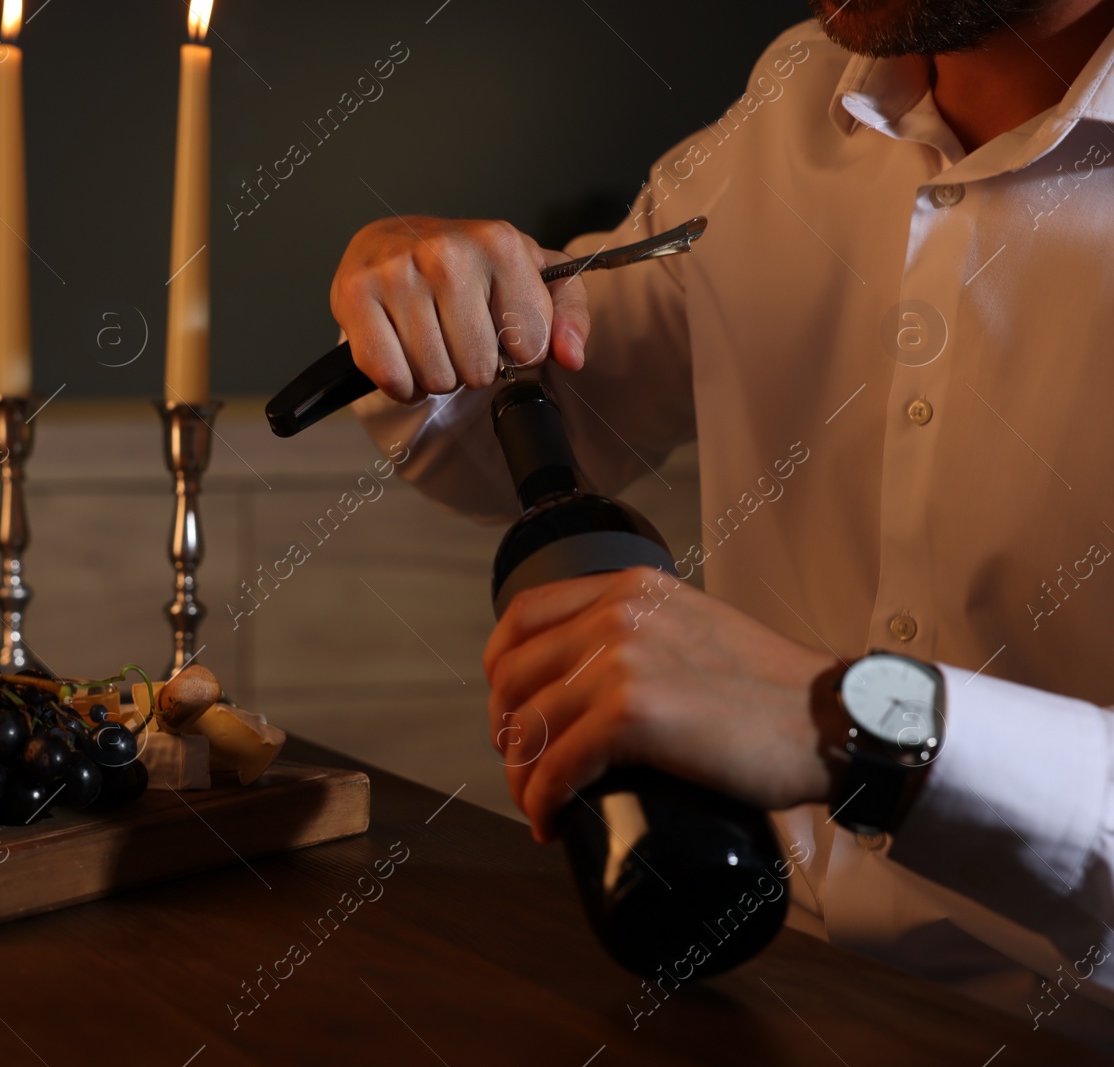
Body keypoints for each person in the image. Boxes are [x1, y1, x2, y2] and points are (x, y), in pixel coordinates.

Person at [335, 0, 1114, 1048]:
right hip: (762, 997)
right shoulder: (798, 97)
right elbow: (510, 426)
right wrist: (425, 285)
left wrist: (853, 723)